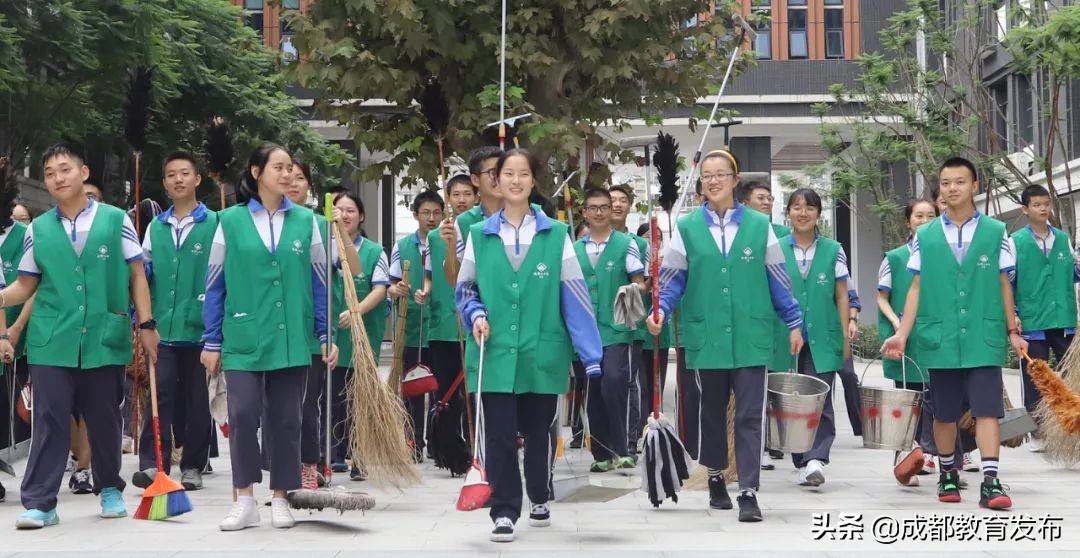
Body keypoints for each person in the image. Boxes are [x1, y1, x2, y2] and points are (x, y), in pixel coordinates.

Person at [2, 143, 157, 529]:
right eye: (50, 172)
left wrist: (148, 324)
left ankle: (108, 487)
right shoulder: (37, 229)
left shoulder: (115, 219)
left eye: (64, 169)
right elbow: (25, 284)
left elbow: (137, 275)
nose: (57, 178)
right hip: (51, 338)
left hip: (104, 334)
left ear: (83, 172)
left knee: (104, 417)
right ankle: (40, 501)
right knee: (50, 419)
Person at [647, 150, 804, 523]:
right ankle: (716, 475)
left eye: (721, 174)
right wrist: (660, 312)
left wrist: (794, 320)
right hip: (707, 335)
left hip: (752, 333)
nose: (713, 181)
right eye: (706, 176)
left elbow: (778, 279)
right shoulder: (686, 229)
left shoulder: (758, 225)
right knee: (711, 413)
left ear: (735, 181)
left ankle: (748, 490)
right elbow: (671, 282)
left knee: (751, 414)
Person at [456, 148, 602, 543]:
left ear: (533, 182)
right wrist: (476, 315)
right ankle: (504, 509)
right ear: (496, 181)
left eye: (523, 174)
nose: (515, 181)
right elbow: (466, 289)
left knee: (539, 431)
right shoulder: (478, 235)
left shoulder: (556, 235)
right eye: (508, 174)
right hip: (495, 351)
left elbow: (574, 296)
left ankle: (539, 493)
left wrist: (591, 356)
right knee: (501, 434)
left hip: (543, 353)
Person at [201, 143, 337, 531]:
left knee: (287, 419)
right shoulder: (228, 220)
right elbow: (213, 285)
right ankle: (244, 498)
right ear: (257, 172)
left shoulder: (309, 222)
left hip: (293, 336)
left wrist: (325, 332)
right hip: (243, 334)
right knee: (242, 415)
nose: (287, 174)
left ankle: (281, 495)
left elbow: (320, 282)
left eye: (290, 168)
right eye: (278, 167)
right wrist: (211, 341)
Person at [882, 156, 1023, 510]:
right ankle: (948, 472)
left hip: (982, 334)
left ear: (975, 186)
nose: (952, 189)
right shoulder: (925, 236)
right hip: (939, 336)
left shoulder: (996, 232)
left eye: (959, 182)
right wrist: (902, 333)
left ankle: (990, 482)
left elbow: (1004, 283)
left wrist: (1012, 329)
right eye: (945, 183)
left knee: (987, 410)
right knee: (943, 412)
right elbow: (915, 287)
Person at [130, 152, 216, 492]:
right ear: (164, 183)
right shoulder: (156, 226)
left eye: (184, 173)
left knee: (197, 402)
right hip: (162, 329)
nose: (177, 179)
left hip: (200, 329)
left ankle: (193, 464)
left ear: (197, 179)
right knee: (159, 395)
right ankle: (152, 463)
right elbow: (143, 274)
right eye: (170, 175)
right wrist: (143, 319)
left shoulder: (215, 223)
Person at [284, 159, 363, 484]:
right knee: (275, 405)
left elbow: (354, 269)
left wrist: (339, 230)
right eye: (286, 175)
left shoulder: (321, 225)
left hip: (313, 327)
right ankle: (280, 467)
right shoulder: (261, 222)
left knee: (307, 402)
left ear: (309, 186)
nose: (291, 182)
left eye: (300, 177)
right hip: (275, 326)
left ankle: (309, 466)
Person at [774, 188, 851, 488]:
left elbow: (842, 295)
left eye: (809, 207)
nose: (802, 212)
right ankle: (801, 457)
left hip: (825, 335)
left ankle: (816, 457)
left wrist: (845, 335)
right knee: (791, 400)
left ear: (819, 213)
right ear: (788, 213)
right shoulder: (777, 248)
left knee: (820, 397)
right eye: (796, 207)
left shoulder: (834, 249)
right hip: (786, 337)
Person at [575, 188, 645, 471]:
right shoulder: (574, 249)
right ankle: (602, 454)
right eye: (593, 207)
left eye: (604, 207)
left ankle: (623, 447)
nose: (600, 212)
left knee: (614, 384)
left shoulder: (625, 244)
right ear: (585, 213)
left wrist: (630, 289)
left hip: (617, 328)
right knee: (592, 390)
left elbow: (640, 282)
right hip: (584, 331)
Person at [1010, 184, 1079, 452]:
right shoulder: (1015, 242)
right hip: (1032, 319)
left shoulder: (1062, 238)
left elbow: (1074, 271)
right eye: (1037, 205)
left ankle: (1070, 423)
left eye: (1046, 204)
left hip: (1062, 317)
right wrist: (1013, 315)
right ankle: (1039, 430)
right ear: (1025, 209)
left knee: (1070, 373)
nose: (1042, 209)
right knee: (1035, 376)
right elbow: (1007, 281)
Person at [877, 198, 940, 486]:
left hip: (935, 335)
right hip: (905, 338)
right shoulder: (894, 257)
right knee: (907, 398)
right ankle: (906, 457)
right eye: (919, 215)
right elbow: (882, 297)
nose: (924, 220)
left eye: (930, 215)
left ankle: (929, 452)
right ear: (908, 221)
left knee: (934, 396)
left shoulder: (942, 254)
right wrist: (896, 323)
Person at [329, 191, 389, 478]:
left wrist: (356, 312)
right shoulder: (325, 247)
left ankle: (361, 454)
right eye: (339, 209)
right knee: (335, 398)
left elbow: (380, 288)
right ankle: (336, 453)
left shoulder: (375, 251)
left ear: (361, 215)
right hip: (331, 337)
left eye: (350, 210)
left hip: (363, 336)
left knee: (360, 398)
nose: (344, 215)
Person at [420, 175, 474, 474]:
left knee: (474, 392)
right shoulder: (435, 236)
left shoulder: (481, 230)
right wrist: (424, 291)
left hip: (473, 323)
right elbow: (431, 275)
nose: (462, 199)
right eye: (456, 194)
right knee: (447, 394)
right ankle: (453, 453)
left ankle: (479, 448)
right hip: (443, 323)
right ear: (448, 198)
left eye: (468, 193)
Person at [389, 189, 443, 461]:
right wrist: (397, 289)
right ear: (415, 215)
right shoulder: (403, 246)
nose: (431, 218)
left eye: (436, 213)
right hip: (410, 326)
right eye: (426, 213)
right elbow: (391, 283)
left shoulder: (445, 243)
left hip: (439, 325)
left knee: (438, 388)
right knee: (412, 387)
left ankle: (436, 442)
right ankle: (413, 442)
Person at [740, 179, 790, 466]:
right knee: (750, 389)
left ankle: (776, 439)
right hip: (750, 322)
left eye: (770, 198)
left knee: (777, 383)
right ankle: (752, 448)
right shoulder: (741, 235)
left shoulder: (782, 235)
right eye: (761, 197)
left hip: (777, 321)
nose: (767, 202)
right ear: (745, 202)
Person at [609, 184, 647, 454]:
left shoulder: (640, 244)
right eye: (613, 200)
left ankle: (630, 439)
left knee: (631, 382)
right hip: (599, 326)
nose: (618, 205)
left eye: (624, 200)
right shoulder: (588, 242)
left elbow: (647, 282)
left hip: (630, 324)